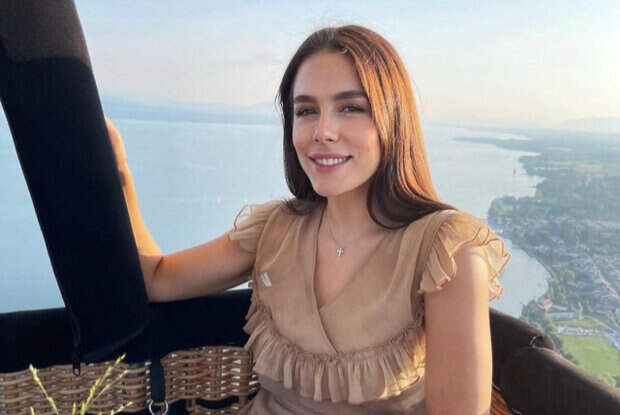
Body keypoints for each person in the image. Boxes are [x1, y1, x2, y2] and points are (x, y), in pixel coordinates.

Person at [106, 25, 510, 415]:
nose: (323, 131)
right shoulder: (276, 230)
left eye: (351, 108)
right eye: (306, 111)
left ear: (394, 118)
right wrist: (117, 169)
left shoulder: (445, 251)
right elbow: (157, 279)